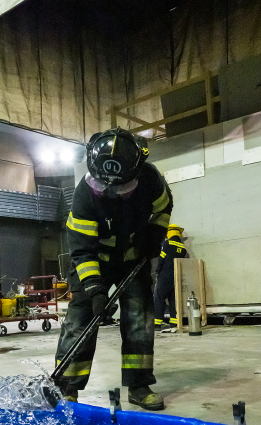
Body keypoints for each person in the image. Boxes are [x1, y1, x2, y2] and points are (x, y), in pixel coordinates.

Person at [54, 127, 173, 410]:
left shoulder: (151, 180)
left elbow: (164, 208)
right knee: (79, 322)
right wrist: (95, 291)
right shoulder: (85, 196)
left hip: (133, 258)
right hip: (95, 260)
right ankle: (67, 388)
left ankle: (138, 385)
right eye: (106, 186)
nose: (113, 192)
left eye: (121, 187)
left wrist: (155, 234)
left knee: (139, 320)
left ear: (136, 172)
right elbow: (82, 251)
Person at [154, 224, 189, 331]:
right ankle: (174, 324)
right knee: (174, 301)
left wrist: (157, 271)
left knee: (159, 298)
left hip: (165, 275)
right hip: (177, 277)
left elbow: (162, 258)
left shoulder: (167, 243)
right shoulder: (183, 248)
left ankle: (157, 324)